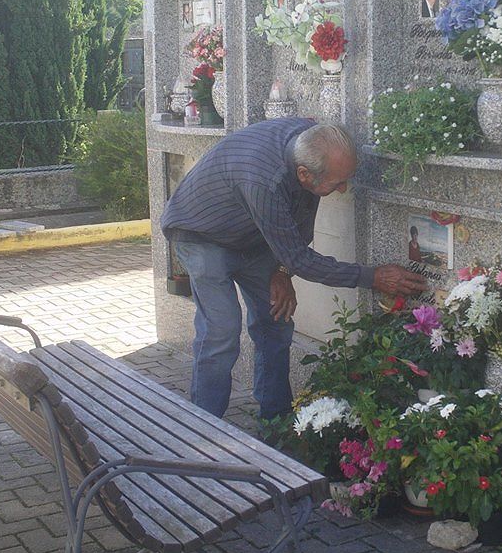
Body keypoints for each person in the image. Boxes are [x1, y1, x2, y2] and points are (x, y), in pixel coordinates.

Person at [161, 119, 427, 421]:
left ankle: (276, 422)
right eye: (337, 183)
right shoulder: (265, 182)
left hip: (253, 235)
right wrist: (373, 277)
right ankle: (203, 426)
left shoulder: (311, 140)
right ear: (304, 174)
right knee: (221, 331)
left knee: (276, 320)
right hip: (201, 234)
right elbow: (300, 257)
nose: (343, 189)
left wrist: (282, 270)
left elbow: (298, 229)